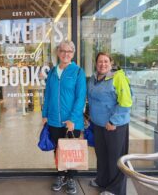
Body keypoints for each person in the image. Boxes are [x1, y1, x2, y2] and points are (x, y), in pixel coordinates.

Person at [42, 41, 86, 194]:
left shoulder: (78, 72)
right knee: (58, 150)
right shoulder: (53, 72)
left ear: (73, 54)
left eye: (69, 51)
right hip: (54, 120)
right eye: (63, 51)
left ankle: (71, 178)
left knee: (72, 150)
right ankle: (60, 175)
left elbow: (80, 98)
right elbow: (47, 95)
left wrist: (73, 119)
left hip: (72, 121)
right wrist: (45, 114)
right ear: (58, 53)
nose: (65, 54)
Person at [87, 52, 132, 195]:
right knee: (102, 155)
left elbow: (126, 102)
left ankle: (115, 190)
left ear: (111, 63)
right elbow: (92, 100)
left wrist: (114, 121)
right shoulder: (93, 79)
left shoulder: (118, 77)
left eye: (106, 61)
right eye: (100, 61)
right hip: (98, 125)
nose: (103, 64)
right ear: (96, 63)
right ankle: (102, 180)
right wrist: (88, 116)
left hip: (114, 126)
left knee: (115, 158)